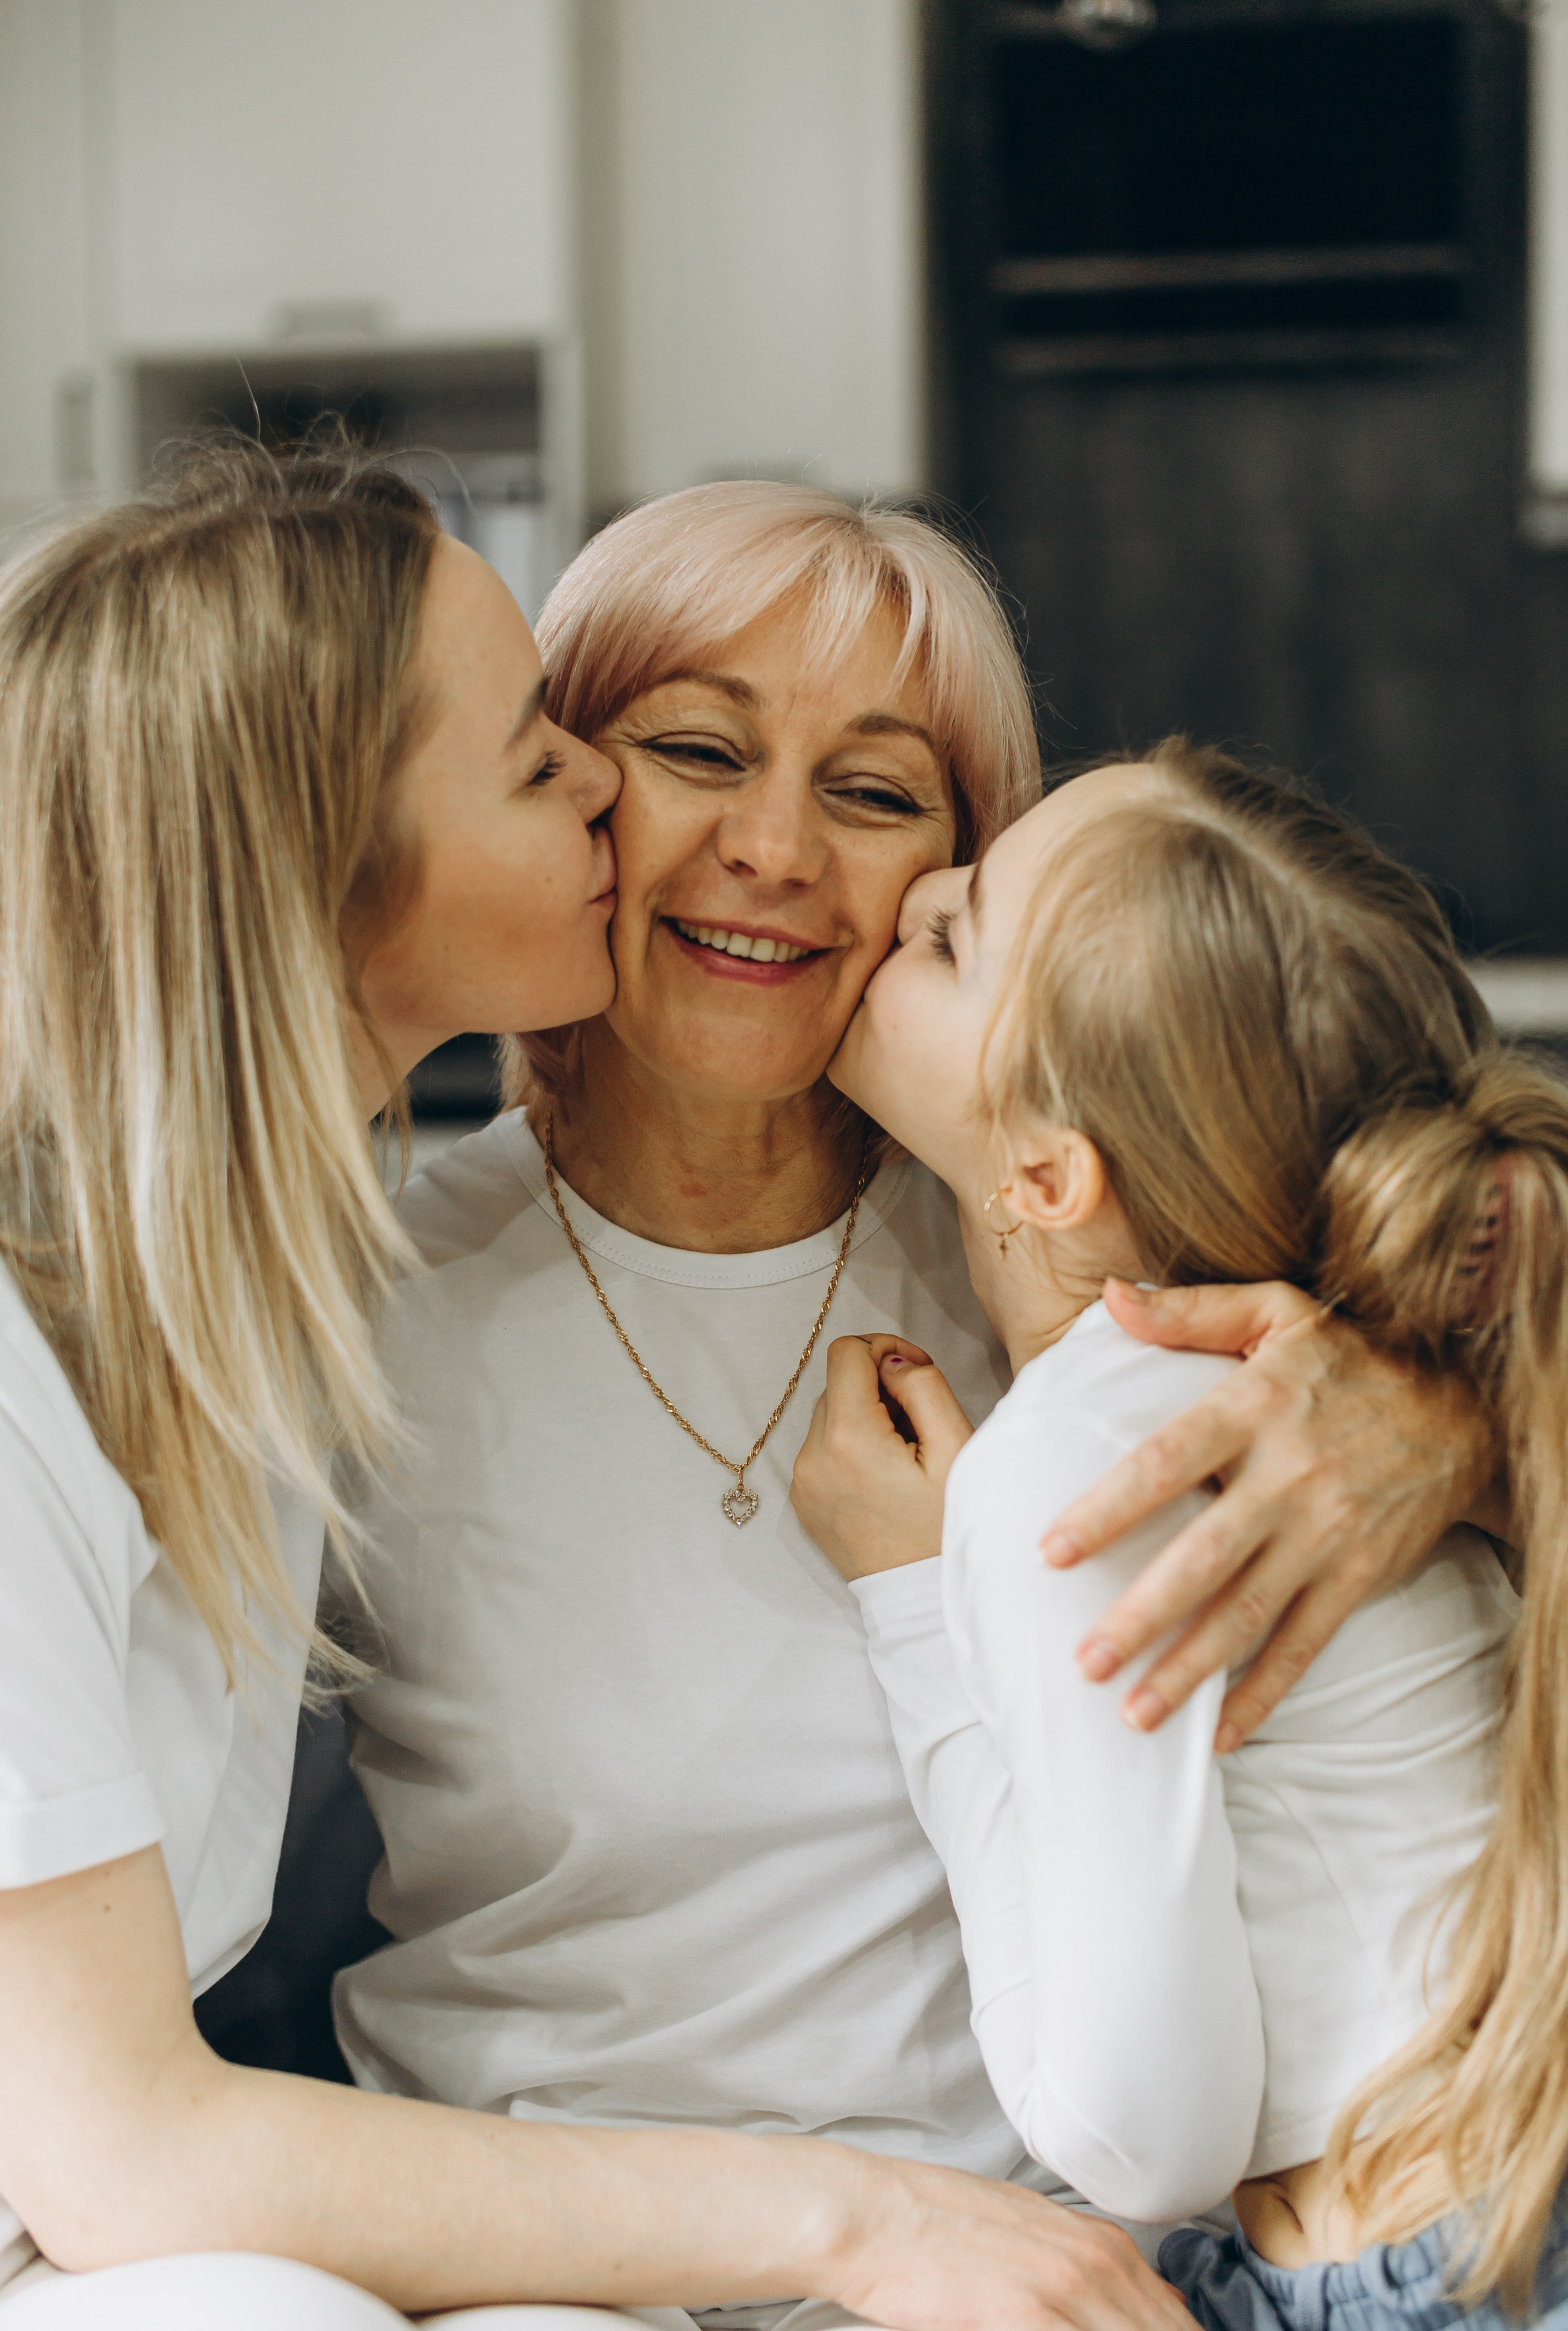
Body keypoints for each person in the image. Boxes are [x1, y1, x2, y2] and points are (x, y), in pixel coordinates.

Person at [0, 440, 1177, 2331]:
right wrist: (856, 2226)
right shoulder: (302, 1307)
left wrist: (1425, 1417)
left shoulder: (1072, 1255)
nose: (766, 847)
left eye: (875, 791)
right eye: (626, 753)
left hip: (1026, 2249)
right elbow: (119, 2134)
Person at [333, 486, 1501, 2331]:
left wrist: (1469, 1427)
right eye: (699, 752)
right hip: (551, 2281)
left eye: (877, 795)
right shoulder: (351, 1308)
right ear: (563, 790)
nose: (776, 848)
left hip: (1072, 2280)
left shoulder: (1112, 1270)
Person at [791, 737, 1568, 2328]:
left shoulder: (1076, 1472)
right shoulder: (1431, 1346)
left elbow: (1141, 2137)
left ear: (1047, 1173)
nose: (918, 890)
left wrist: (917, 1604)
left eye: (954, 937)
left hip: (1434, 2279)